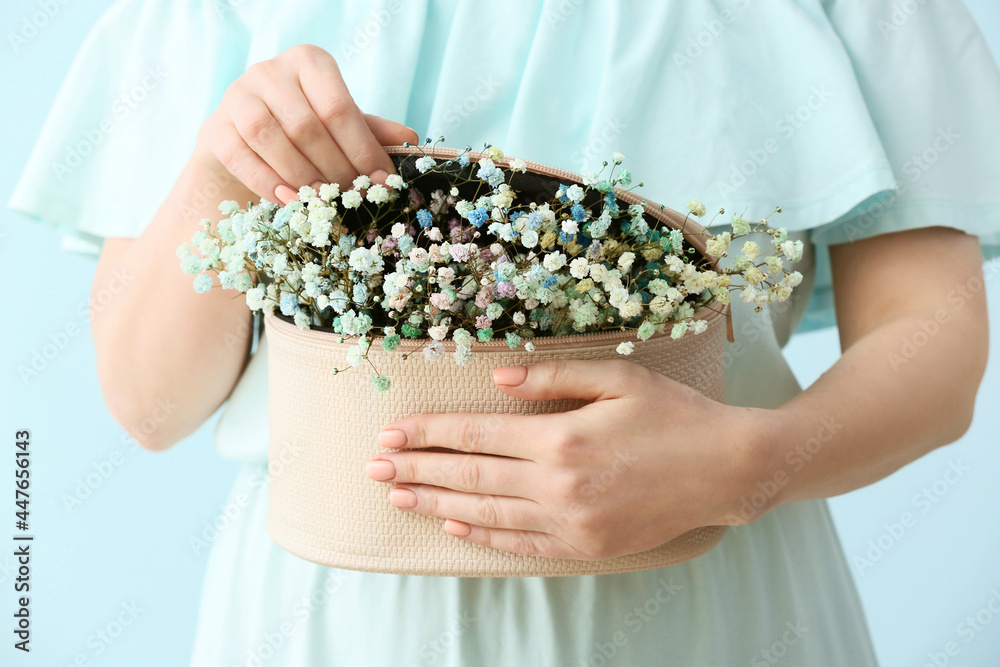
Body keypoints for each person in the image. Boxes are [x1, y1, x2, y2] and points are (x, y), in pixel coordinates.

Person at [10, 0, 1000, 664]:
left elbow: (933, 335)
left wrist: (753, 463)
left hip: (708, 601)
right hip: (338, 617)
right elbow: (146, 400)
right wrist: (221, 178)